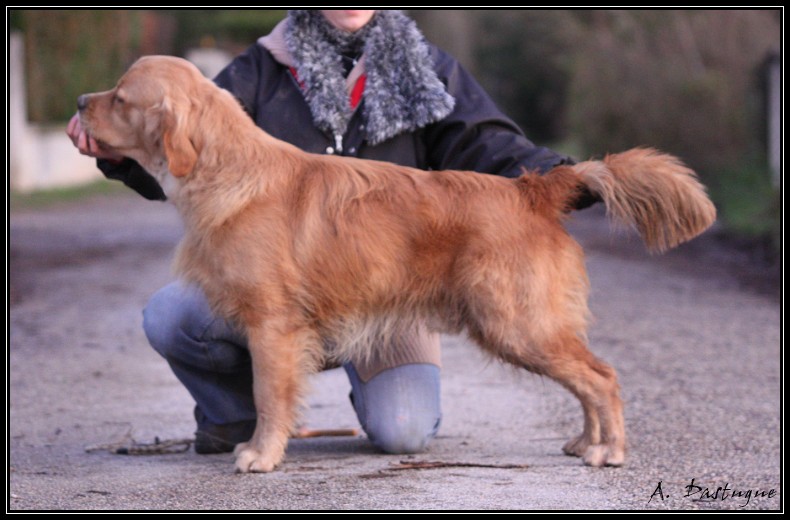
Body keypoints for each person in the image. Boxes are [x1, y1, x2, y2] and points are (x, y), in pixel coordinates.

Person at [68, 10, 588, 456]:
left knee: (404, 431)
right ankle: (238, 417)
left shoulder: (428, 68)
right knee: (172, 313)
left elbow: (487, 144)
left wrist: (569, 179)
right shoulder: (261, 67)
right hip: (291, 289)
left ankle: (291, 404)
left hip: (392, 301)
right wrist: (117, 154)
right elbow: (181, 145)